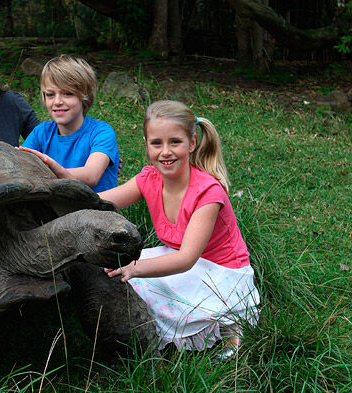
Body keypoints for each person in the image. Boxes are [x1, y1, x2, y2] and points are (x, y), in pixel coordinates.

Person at [101, 100, 259, 358]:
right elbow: (103, 202)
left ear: (192, 143)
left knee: (137, 281)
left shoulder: (207, 192)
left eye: (175, 142)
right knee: (116, 275)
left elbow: (187, 258)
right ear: (146, 144)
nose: (165, 152)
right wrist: (64, 197)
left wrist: (135, 268)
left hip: (218, 272)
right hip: (175, 255)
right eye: (156, 143)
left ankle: (228, 328)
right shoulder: (148, 179)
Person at [18, 55, 119, 192]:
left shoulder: (101, 132)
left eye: (67, 94)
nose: (57, 102)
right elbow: (20, 169)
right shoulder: (41, 132)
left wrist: (49, 167)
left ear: (85, 96)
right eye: (50, 94)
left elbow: (91, 176)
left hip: (94, 209)